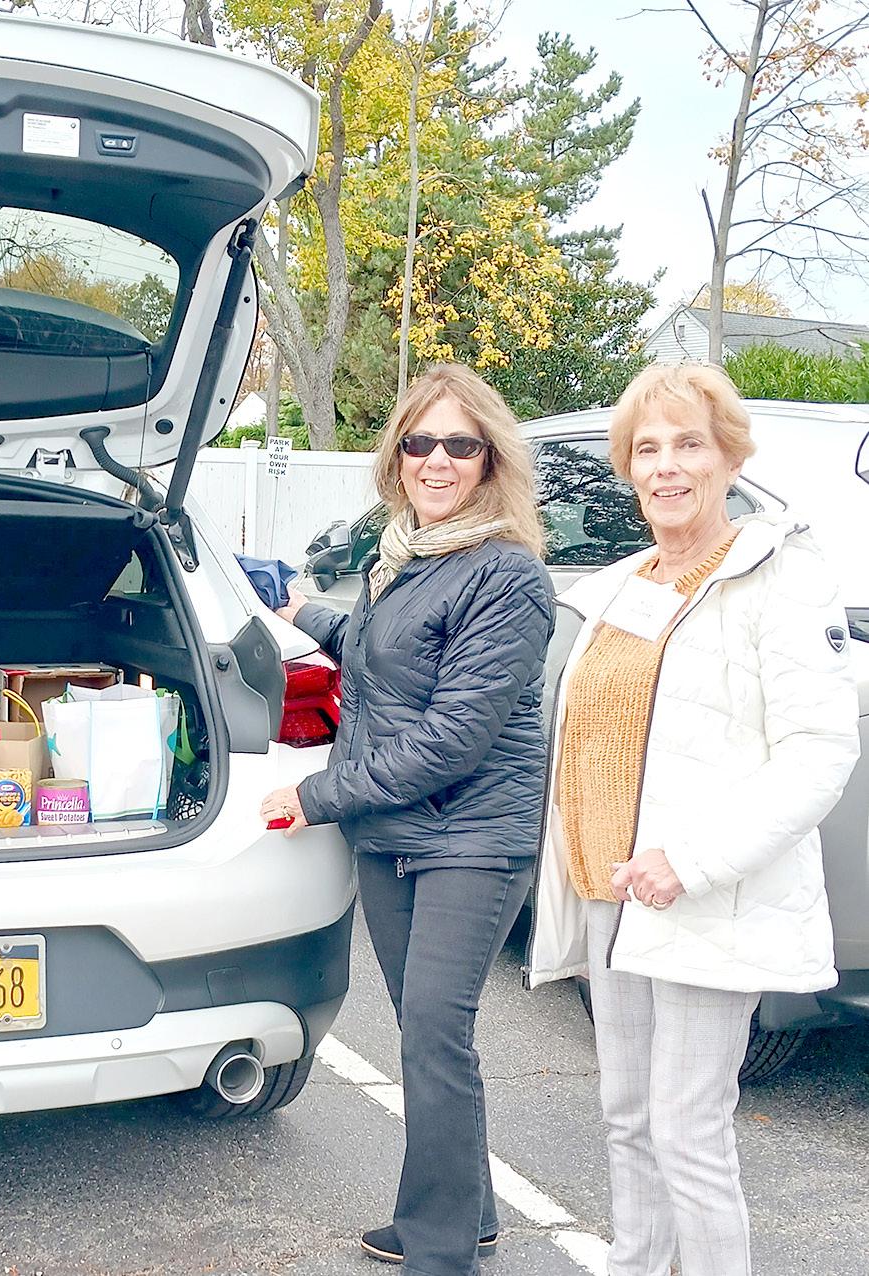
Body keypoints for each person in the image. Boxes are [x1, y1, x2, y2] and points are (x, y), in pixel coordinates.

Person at [527, 363, 859, 1276]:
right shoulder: (626, 582)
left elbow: (819, 753)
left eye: (689, 444)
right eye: (647, 449)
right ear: (628, 468)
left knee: (687, 1130)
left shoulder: (778, 577)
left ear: (730, 460)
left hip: (703, 894)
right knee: (628, 1118)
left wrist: (694, 860)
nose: (666, 466)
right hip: (612, 889)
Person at [264, 364, 554, 1275]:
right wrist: (299, 611)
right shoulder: (405, 559)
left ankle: (438, 1248)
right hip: (394, 831)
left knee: (434, 1030)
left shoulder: (508, 575)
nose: (437, 460)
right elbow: (378, 652)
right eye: (420, 441)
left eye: (460, 445)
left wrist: (316, 796)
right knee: (429, 1034)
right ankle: (469, 1213)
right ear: (397, 456)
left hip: (471, 836)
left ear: (489, 460)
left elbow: (454, 738)